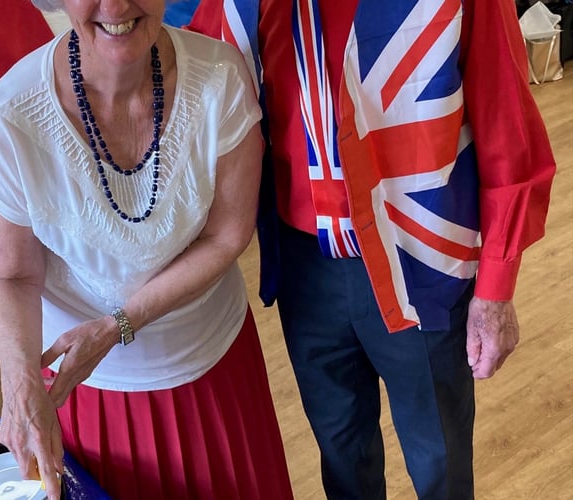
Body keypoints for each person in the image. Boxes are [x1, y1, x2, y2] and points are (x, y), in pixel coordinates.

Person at [188, 0, 556, 498]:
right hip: (306, 268)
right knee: (343, 464)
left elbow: (506, 123)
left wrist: (495, 286)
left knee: (440, 466)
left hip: (420, 256)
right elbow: (185, 67)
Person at [0, 0, 294, 499]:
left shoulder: (221, 77)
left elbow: (227, 235)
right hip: (88, 392)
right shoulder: (9, 117)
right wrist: (19, 382)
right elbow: (10, 274)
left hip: (216, 373)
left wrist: (116, 326)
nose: (117, 6)